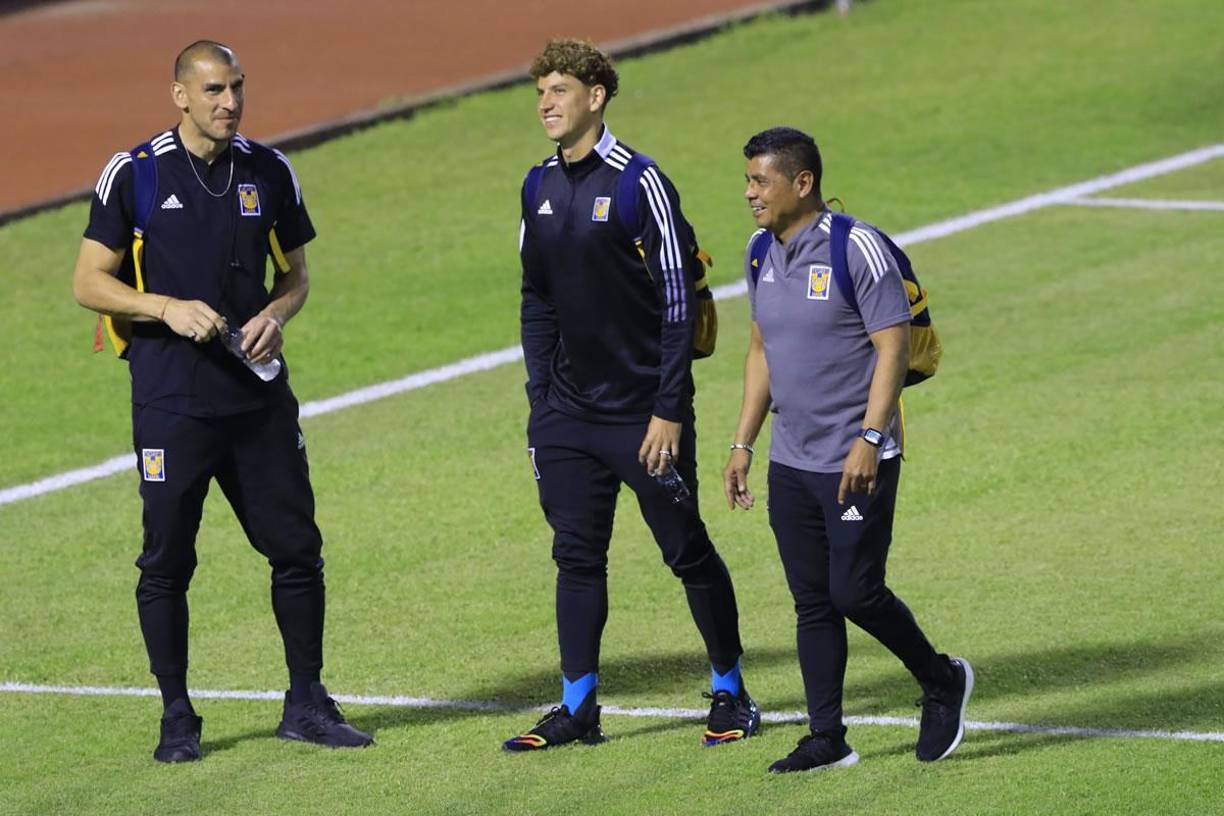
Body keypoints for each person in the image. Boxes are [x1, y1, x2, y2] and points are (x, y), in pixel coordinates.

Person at [72, 40, 372, 763]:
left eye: (236, 88)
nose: (229, 103)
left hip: (258, 400)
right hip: (172, 402)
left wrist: (280, 312)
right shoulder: (134, 175)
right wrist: (165, 307)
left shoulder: (268, 170)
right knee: (167, 560)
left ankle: (306, 702)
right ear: (180, 95)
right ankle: (177, 717)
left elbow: (296, 273)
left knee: (297, 549)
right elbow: (88, 282)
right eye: (212, 90)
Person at [504, 38, 759, 751]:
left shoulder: (639, 182)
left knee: (685, 550)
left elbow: (679, 306)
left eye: (560, 90)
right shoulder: (537, 186)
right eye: (540, 92)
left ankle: (731, 691)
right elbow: (537, 297)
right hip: (566, 416)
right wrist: (540, 398)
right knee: (575, 556)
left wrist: (668, 411)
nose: (547, 103)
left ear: (596, 96)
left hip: (643, 416)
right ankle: (578, 708)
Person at [722, 127, 972, 773]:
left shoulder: (855, 248)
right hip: (793, 458)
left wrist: (868, 437)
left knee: (856, 592)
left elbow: (893, 347)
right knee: (811, 601)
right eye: (748, 179)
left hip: (858, 455)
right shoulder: (759, 251)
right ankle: (827, 737)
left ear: (802, 183)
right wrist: (742, 442)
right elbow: (760, 350)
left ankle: (941, 679)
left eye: (760, 180)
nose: (749, 193)